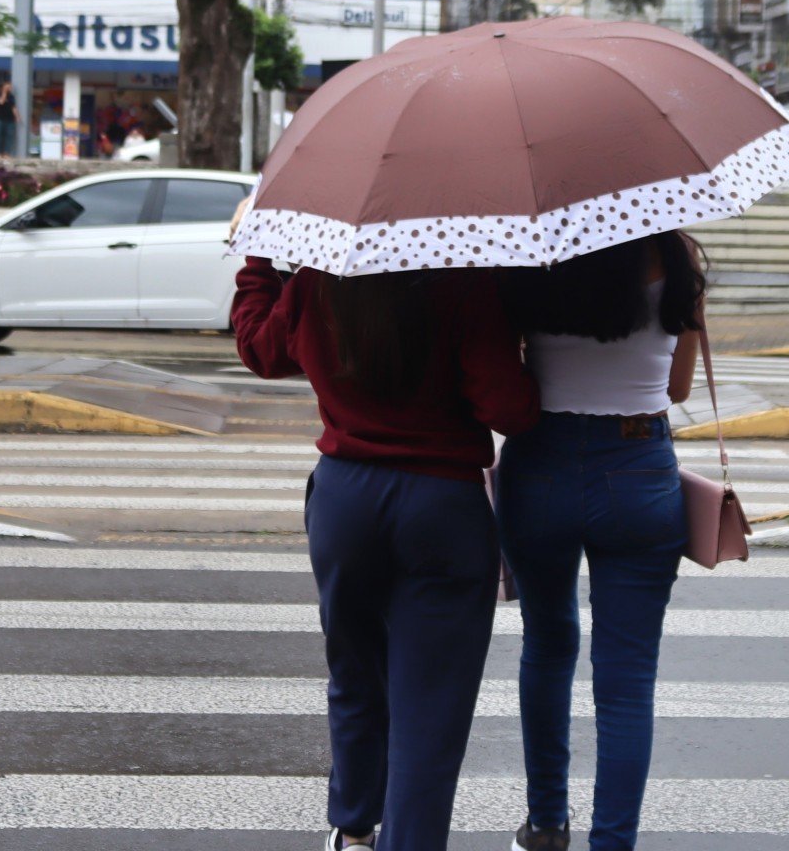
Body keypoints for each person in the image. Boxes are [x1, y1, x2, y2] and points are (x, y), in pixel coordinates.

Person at [232, 235, 540, 851]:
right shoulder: (465, 280)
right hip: (441, 505)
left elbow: (260, 350)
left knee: (354, 669)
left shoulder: (320, 278)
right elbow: (511, 409)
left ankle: (351, 829)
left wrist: (257, 261)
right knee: (433, 704)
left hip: (346, 500)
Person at [497, 232, 705, 851]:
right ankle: (611, 843)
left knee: (548, 642)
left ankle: (545, 825)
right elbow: (679, 389)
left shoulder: (533, 247)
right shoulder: (673, 257)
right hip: (637, 466)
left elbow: (506, 369)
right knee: (627, 678)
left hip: (540, 463)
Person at [0, 83, 17, 157]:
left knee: (9, 136)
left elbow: (13, 107)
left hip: (10, 119)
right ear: (3, 87)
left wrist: (17, 116)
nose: (9, 89)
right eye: (7, 87)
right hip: (0, 119)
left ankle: (7, 153)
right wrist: (4, 93)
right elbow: (1, 102)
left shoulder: (11, 97)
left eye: (9, 87)